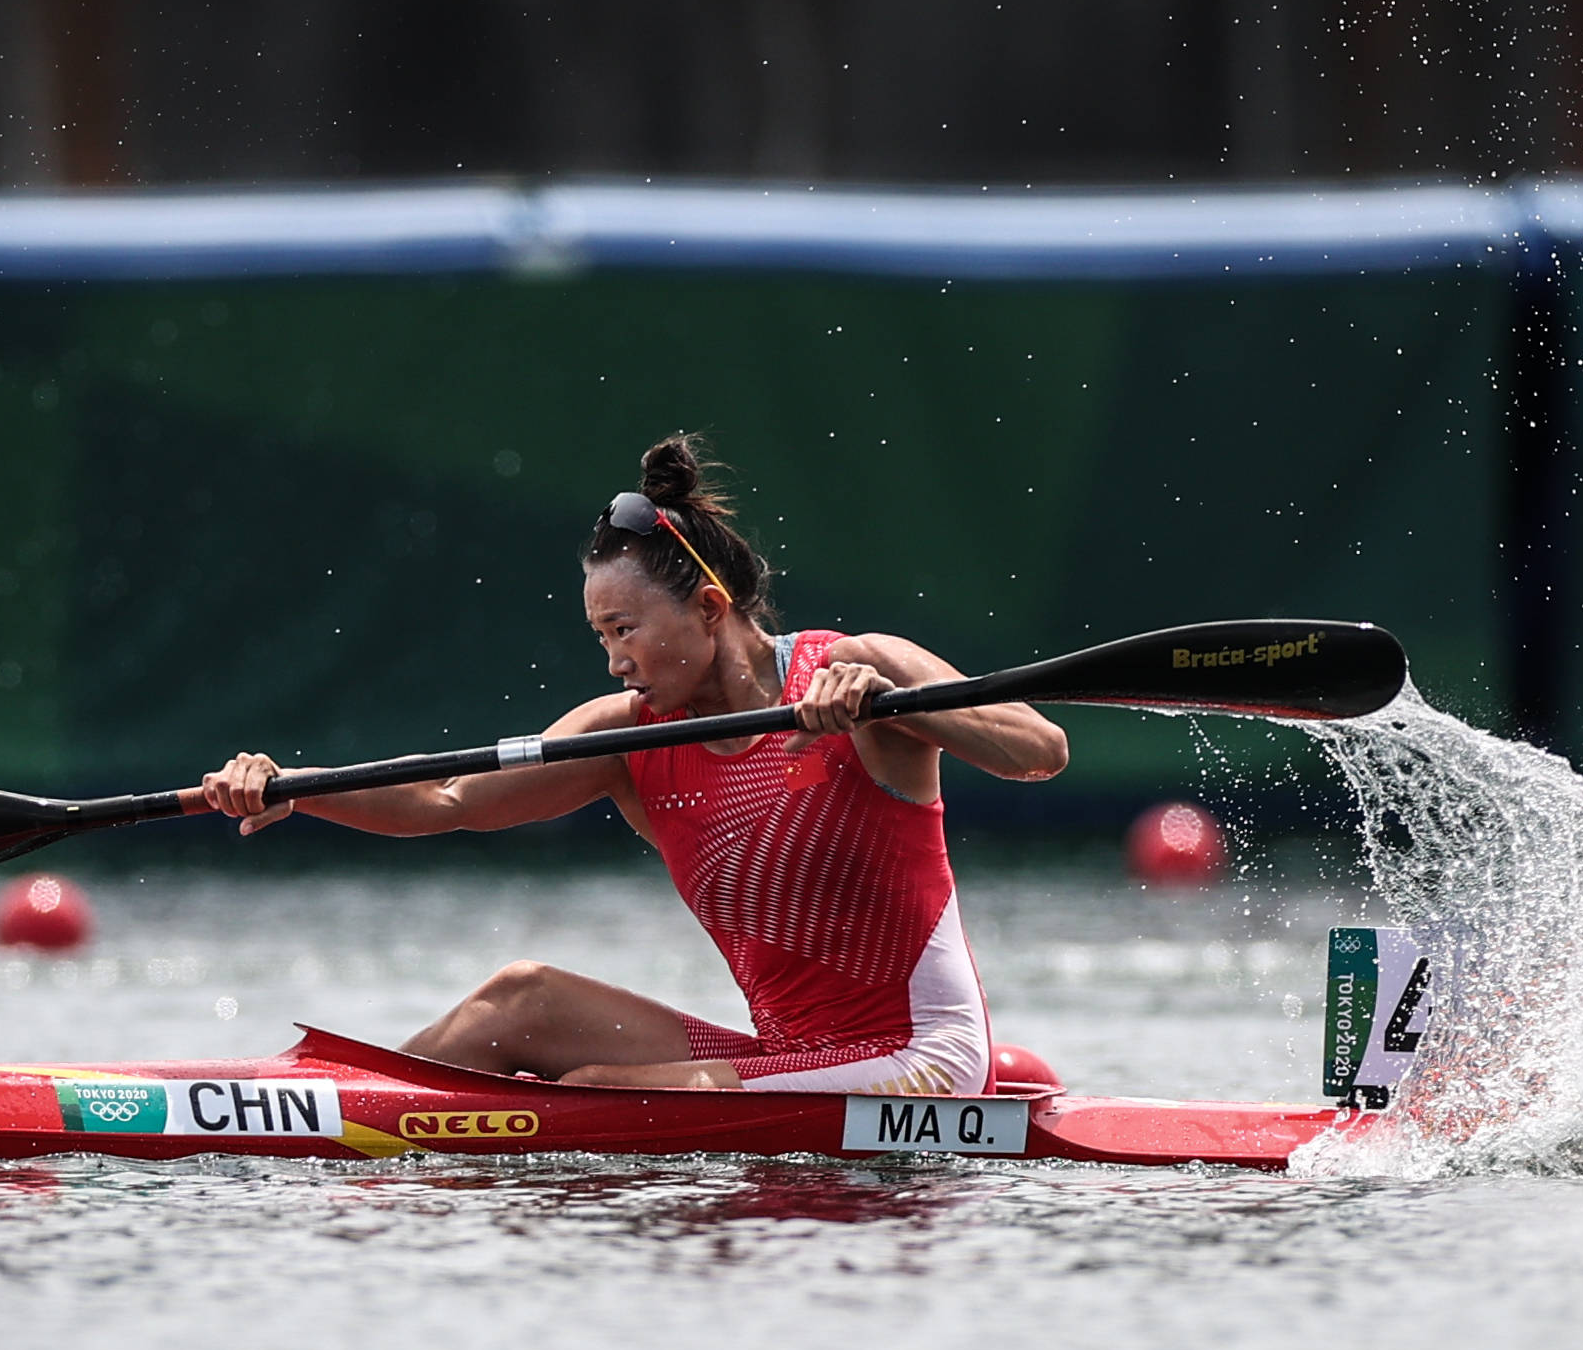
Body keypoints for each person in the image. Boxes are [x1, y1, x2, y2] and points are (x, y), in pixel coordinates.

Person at [198, 434, 1067, 1092]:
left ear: (709, 608)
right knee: (522, 998)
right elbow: (447, 798)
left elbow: (1042, 752)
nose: (614, 659)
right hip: (785, 1063)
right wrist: (294, 789)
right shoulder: (627, 735)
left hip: (920, 1065)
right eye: (600, 635)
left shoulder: (863, 668)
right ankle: (317, 1107)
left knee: (594, 1096)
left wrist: (893, 702)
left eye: (625, 631)